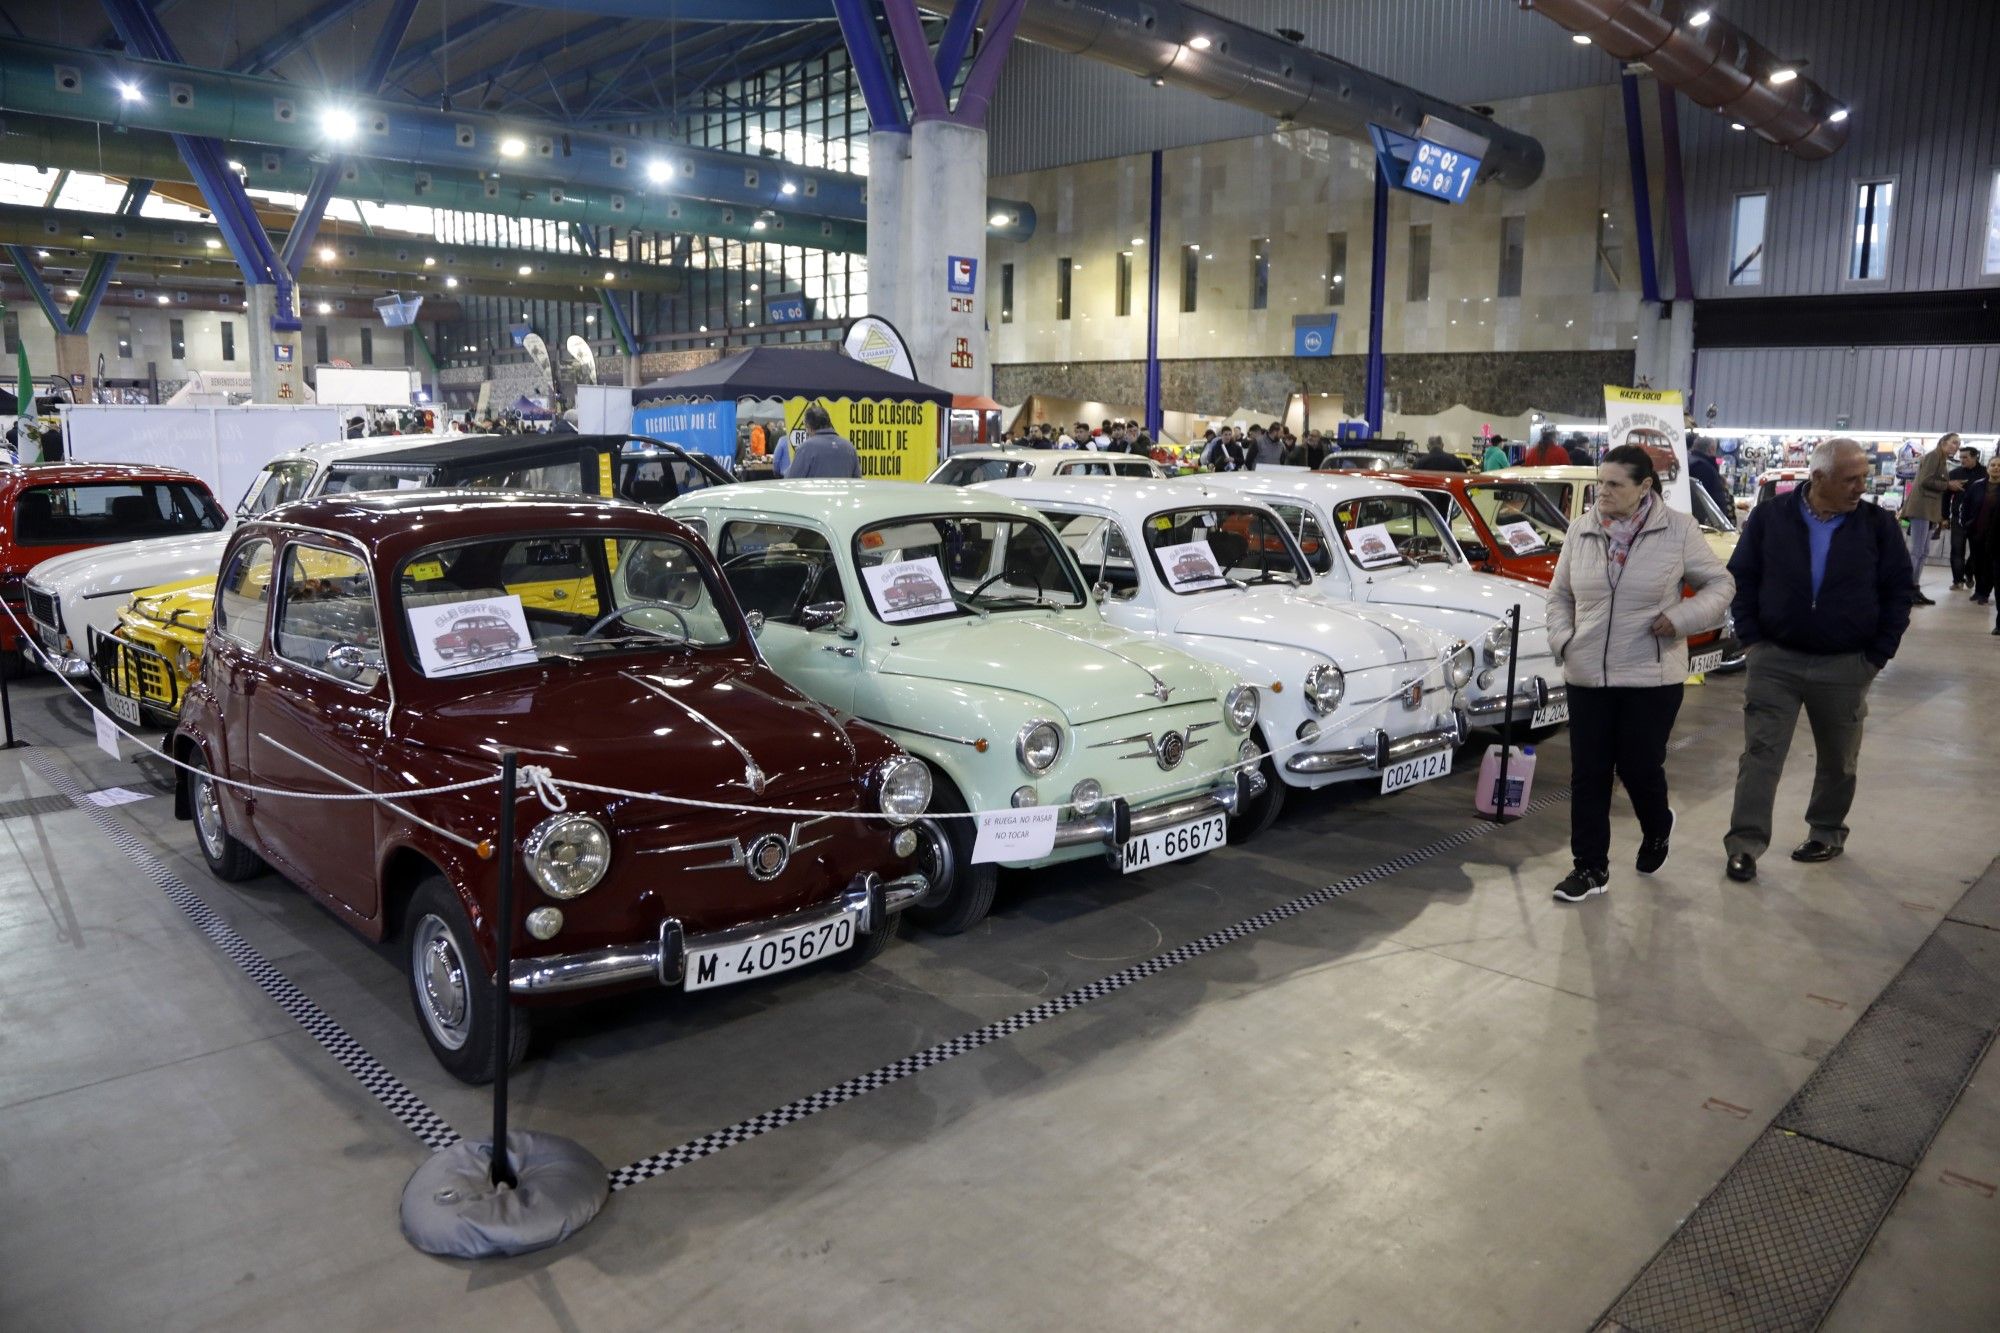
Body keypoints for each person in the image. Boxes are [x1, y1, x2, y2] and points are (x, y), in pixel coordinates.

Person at [1544, 445, 1734, 902]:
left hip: (1652, 675)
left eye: (1615, 484)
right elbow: (1559, 596)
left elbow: (1721, 584)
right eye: (1600, 482)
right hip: (1587, 673)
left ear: (1645, 486)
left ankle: (1657, 826)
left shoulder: (1679, 530)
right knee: (1589, 773)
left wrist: (1683, 619)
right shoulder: (1582, 529)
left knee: (1638, 767)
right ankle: (1589, 868)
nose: (1602, 492)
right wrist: (1564, 641)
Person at [1722, 438, 1914, 882]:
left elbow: (1898, 591)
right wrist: (1752, 639)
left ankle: (1826, 832)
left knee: (1838, 758)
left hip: (1846, 664)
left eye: (1863, 478)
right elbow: (1743, 577)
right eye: (1851, 479)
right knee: (1761, 754)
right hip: (1775, 660)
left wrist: (1877, 655)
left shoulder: (1877, 525)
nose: (1860, 487)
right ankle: (1745, 846)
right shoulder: (1772, 518)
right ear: (1818, 478)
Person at [1904, 433, 1965, 605]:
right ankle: (1906, 590)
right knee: (1917, 552)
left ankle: (1914, 588)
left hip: (1929, 510)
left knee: (1922, 552)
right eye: (1954, 443)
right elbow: (1925, 481)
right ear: (1943, 442)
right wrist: (1948, 485)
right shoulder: (1933, 456)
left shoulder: (1940, 458)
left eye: (1958, 444)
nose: (1956, 446)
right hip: (1922, 508)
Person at [1962, 453, 2000, 614]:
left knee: (1990, 566)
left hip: (1996, 536)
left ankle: (1985, 593)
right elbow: (1966, 505)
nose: (1996, 468)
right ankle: (1978, 590)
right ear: (1987, 468)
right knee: (1976, 562)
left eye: (1999, 466)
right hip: (1976, 531)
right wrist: (1966, 523)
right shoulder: (1977, 486)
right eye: (1993, 465)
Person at [783, 403, 861, 478]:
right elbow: (857, 479)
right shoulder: (849, 447)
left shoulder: (805, 448)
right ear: (829, 422)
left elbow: (792, 480)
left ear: (808, 426)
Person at [1947, 444, 1985, 590]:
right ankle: (1958, 580)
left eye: (1965, 457)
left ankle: (1969, 573)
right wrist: (1944, 516)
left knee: (1977, 551)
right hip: (1957, 517)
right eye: (1960, 457)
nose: (1962, 460)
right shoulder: (1955, 473)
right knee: (1957, 550)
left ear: (1975, 457)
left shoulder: (1985, 473)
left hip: (1979, 519)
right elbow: (1946, 496)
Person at [1687, 435, 1732, 513]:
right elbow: (1706, 498)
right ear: (1711, 449)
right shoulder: (1703, 467)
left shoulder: (1691, 461)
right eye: (1715, 449)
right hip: (1708, 518)